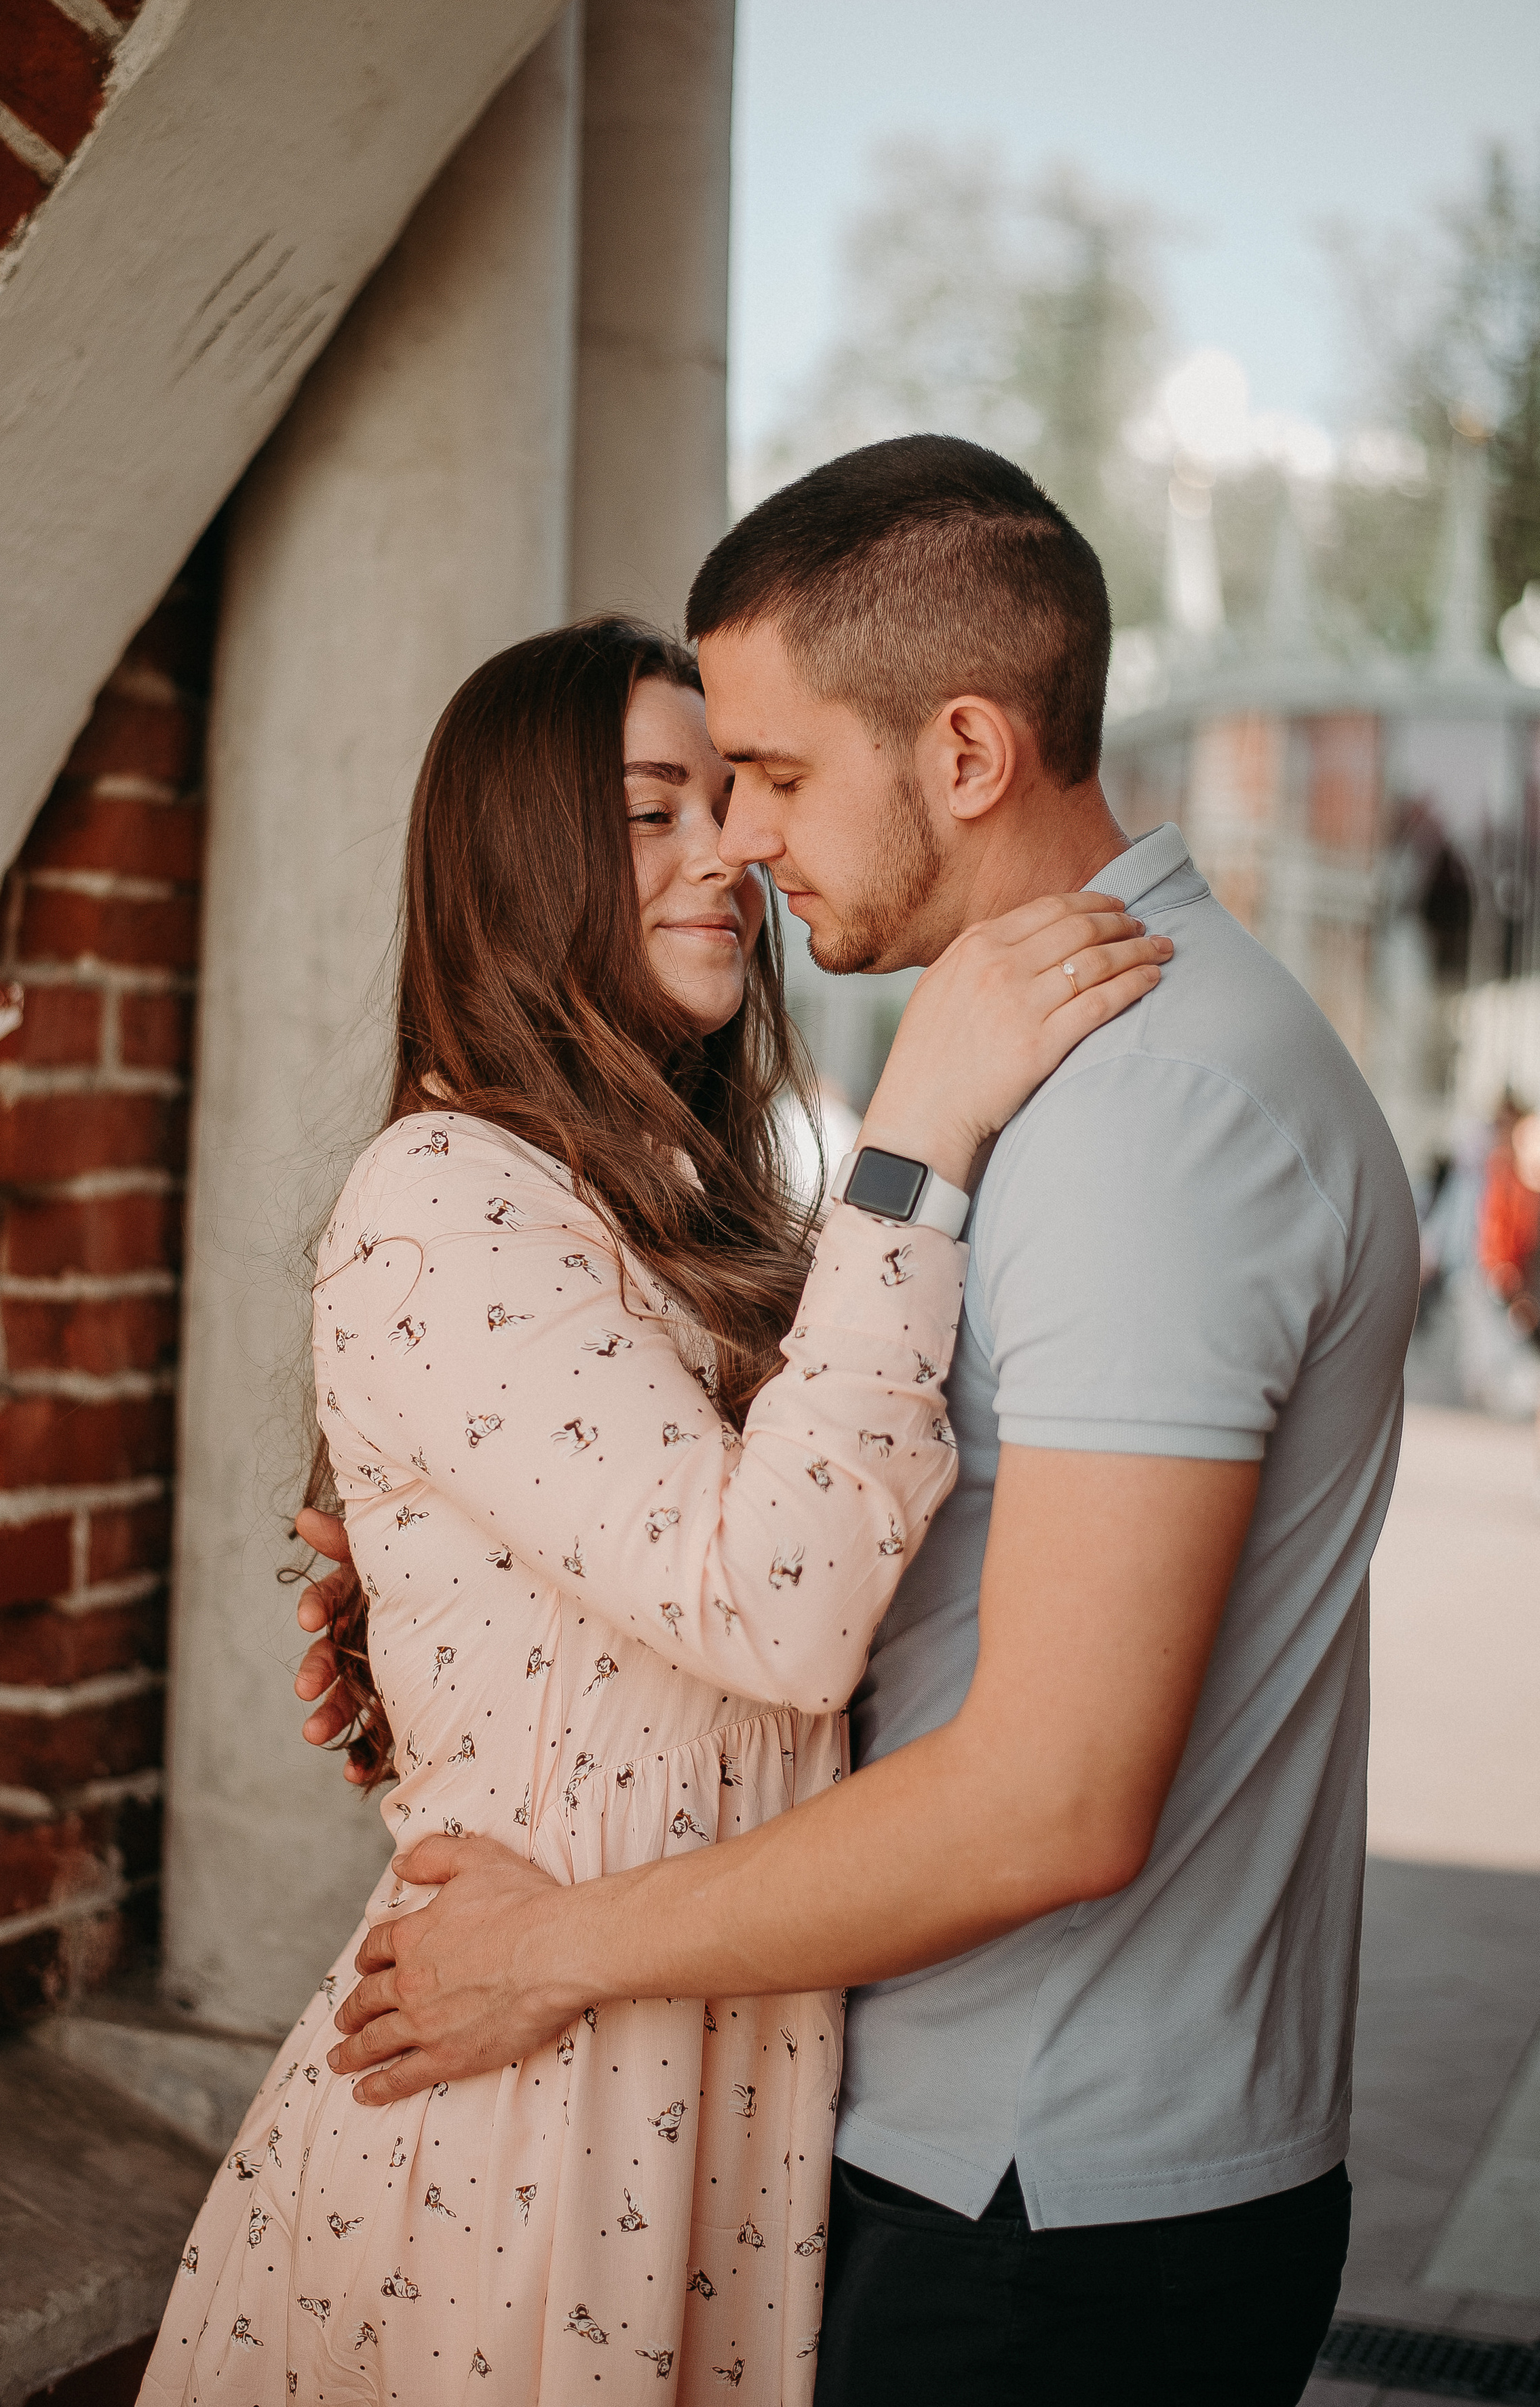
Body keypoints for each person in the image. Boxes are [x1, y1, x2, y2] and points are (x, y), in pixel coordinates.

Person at [299, 439, 1422, 2407]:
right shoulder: (1067, 1077)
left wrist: (553, 1945)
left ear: (967, 752)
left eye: (771, 777)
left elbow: (1049, 1791)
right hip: (919, 2145)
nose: (738, 839)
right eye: (679, 796)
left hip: (1037, 2183)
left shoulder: (1139, 1114)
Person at [140, 614, 1165, 2406]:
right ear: (523, 856)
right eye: (655, 809)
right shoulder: (446, 1192)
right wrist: (916, 1137)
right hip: (513, 2130)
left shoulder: (695, 1208)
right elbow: (775, 1599)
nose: (733, 852)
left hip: (707, 2105)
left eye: (738, 797)